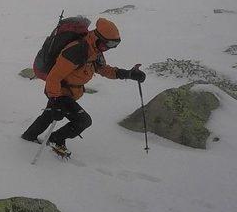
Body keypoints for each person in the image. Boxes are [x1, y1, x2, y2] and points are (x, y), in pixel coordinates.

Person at [21, 18, 146, 157]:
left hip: (68, 92)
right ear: (98, 37)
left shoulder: (95, 50)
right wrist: (56, 100)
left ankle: (28, 137)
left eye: (113, 45)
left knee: (50, 115)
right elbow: (54, 77)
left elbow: (104, 70)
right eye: (108, 44)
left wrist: (128, 74)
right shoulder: (77, 50)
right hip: (59, 91)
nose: (109, 48)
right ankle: (56, 139)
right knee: (83, 120)